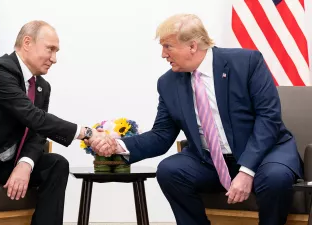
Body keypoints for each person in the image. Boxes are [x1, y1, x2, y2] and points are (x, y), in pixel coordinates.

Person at [91, 14, 303, 225]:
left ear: (192, 46)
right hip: (210, 160)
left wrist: (247, 170)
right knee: (170, 171)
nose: (163, 54)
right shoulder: (168, 83)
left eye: (167, 46)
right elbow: (162, 135)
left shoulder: (247, 62)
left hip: (264, 153)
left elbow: (268, 118)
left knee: (275, 177)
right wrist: (117, 145)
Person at [0, 20, 116, 225]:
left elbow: (37, 132)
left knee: (56, 164)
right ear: (27, 42)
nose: (54, 59)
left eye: (56, 51)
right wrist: (87, 133)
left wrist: (25, 164)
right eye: (50, 49)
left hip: (2, 164)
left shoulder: (41, 87)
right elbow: (33, 117)